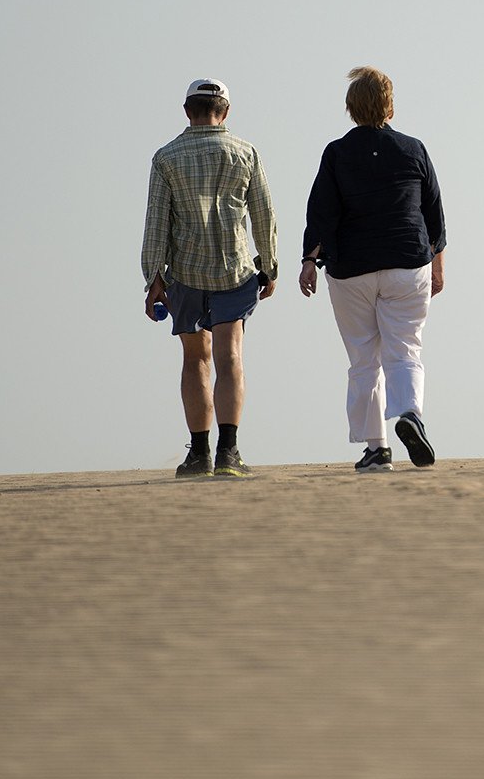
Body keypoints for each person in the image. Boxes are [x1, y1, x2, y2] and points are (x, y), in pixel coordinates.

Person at [298, 67, 445, 473]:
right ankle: (411, 413)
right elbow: (434, 212)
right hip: (408, 262)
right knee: (405, 349)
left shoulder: (337, 153)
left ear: (350, 108)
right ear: (390, 105)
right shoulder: (413, 149)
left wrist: (309, 261)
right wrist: (439, 264)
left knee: (364, 358)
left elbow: (321, 213)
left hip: (352, 270)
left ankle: (377, 449)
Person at [141, 78, 278, 478]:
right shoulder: (246, 153)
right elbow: (264, 214)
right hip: (234, 271)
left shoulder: (166, 157)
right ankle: (229, 453)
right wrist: (269, 265)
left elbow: (156, 223)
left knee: (194, 359)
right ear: (226, 111)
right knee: (230, 356)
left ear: (187, 110)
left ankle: (199, 454)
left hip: (184, 273)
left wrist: (153, 276)